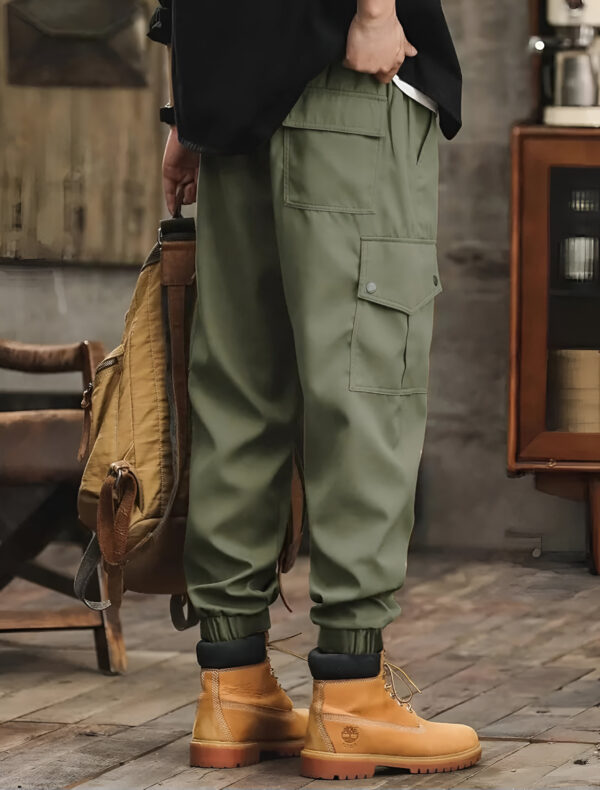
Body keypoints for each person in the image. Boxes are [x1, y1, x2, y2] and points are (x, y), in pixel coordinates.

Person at [149, 0, 481, 780]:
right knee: (367, 385)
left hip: (233, 94)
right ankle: (352, 697)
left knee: (238, 387)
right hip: (341, 72)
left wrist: (193, 109)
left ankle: (231, 686)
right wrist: (373, 8)